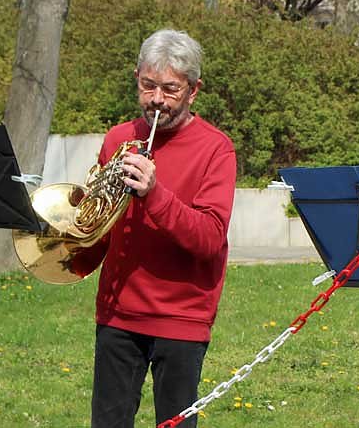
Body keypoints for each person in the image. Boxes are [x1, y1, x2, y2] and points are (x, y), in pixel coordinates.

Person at [90, 28, 237, 428]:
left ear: (194, 91)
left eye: (170, 89)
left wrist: (154, 194)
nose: (156, 99)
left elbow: (209, 238)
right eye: (148, 85)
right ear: (136, 78)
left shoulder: (216, 149)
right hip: (118, 314)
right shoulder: (119, 139)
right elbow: (100, 224)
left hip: (181, 317)